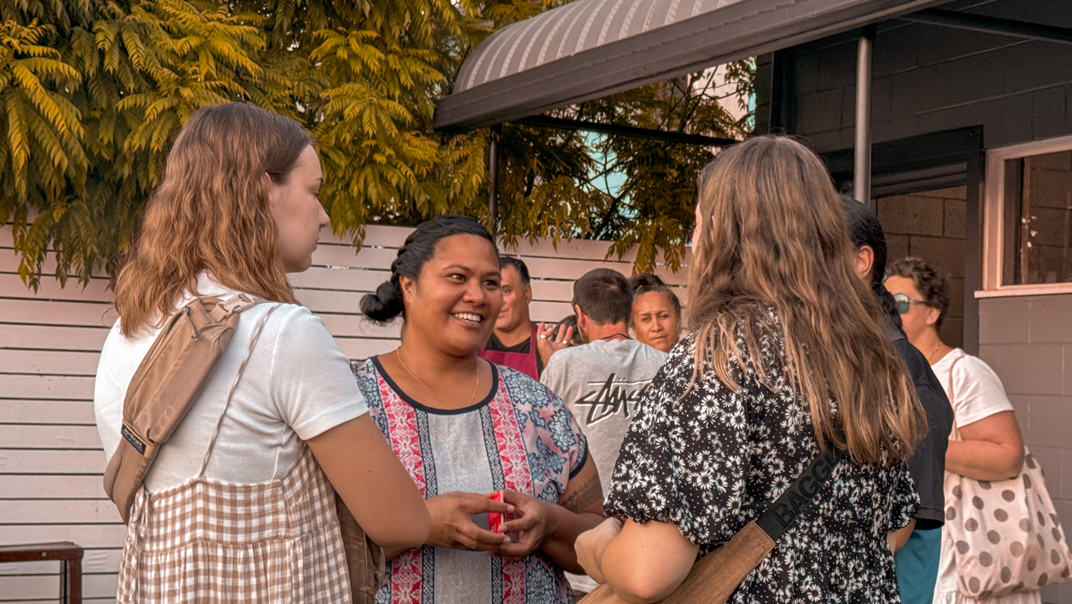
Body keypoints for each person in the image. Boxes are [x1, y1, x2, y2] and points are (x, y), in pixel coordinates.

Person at [93, 103, 429, 601]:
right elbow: (401, 523)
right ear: (262, 188)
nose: (324, 214)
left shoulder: (127, 330)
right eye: (313, 192)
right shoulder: (280, 334)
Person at [575, 135, 924, 603]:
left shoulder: (717, 357)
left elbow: (646, 572)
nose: (694, 240)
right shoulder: (870, 355)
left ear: (721, 231)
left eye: (697, 224)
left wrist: (596, 549)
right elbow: (896, 529)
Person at [356, 215, 605, 603]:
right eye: (457, 277)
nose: (478, 295)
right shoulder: (353, 402)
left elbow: (600, 541)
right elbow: (313, 548)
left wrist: (550, 523)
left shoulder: (536, 405)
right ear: (408, 285)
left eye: (490, 283)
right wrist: (420, 526)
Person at [885, 257, 1033, 604]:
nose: (890, 310)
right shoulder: (887, 371)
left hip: (958, 550)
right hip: (912, 545)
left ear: (932, 313)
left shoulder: (964, 372)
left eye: (901, 303)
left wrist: (924, 448)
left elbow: (1008, 455)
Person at [842, 197, 954, 604]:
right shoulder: (852, 360)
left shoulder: (901, 374)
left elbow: (907, 534)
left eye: (813, 253)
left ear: (861, 261)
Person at [540, 268, 668, 595]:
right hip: (651, 547)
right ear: (629, 312)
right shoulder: (663, 363)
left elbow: (542, 443)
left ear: (580, 316)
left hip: (583, 543)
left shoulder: (564, 363)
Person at [478, 256, 567, 377]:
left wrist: (554, 367)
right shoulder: (470, 344)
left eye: (506, 291)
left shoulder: (552, 348)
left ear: (527, 293)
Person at [627, 273, 682, 353]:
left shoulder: (698, 362)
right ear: (634, 329)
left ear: (678, 320)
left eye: (663, 316)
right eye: (645, 319)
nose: (656, 327)